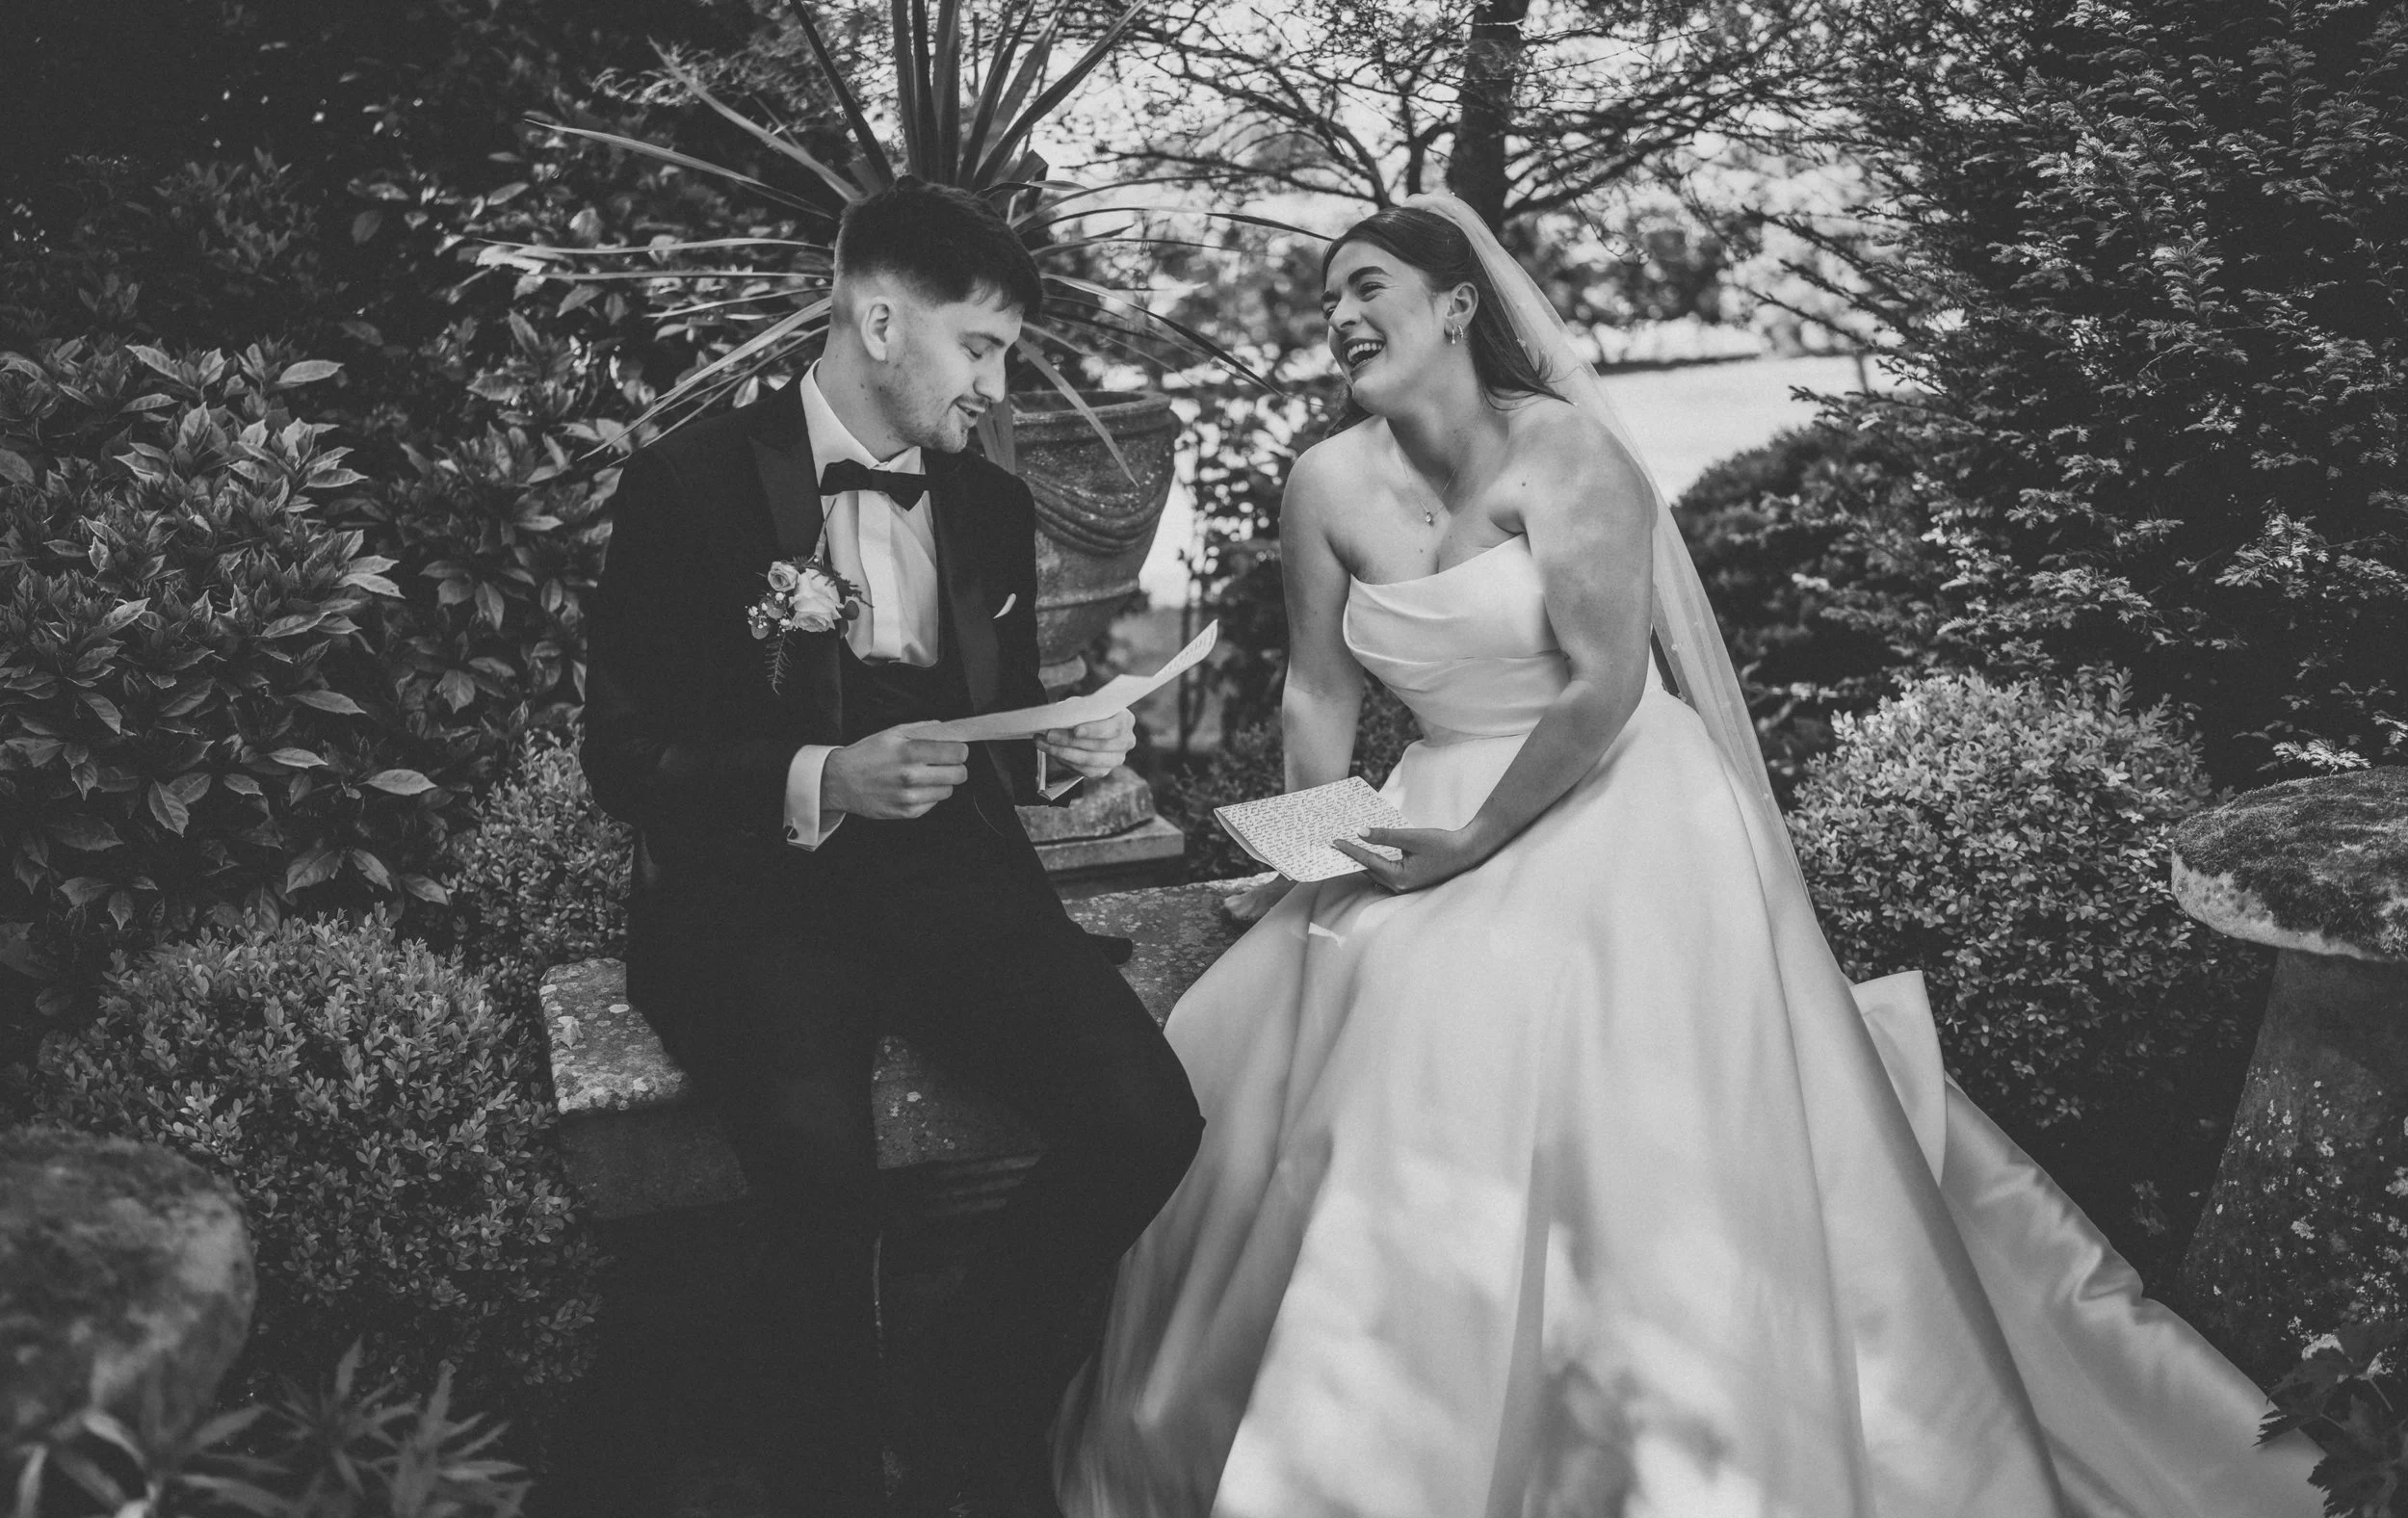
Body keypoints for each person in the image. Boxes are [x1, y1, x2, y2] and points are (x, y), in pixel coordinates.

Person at [1050, 195, 2321, 1518]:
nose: (1340, 317)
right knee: (1247, 1024)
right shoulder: (1325, 482)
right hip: (1428, 791)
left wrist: (1471, 846)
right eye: (1325, 303)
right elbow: (1316, 696)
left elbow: (1601, 689)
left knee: (1466, 1003)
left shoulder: (1569, 458)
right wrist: (1315, 851)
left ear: (1457, 305)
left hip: (1608, 792)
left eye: (1365, 285)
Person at [582, 177, 1202, 1517]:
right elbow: (624, 760)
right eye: (977, 347)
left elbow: (983, 725)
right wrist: (822, 774)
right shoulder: (687, 483)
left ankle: (963, 1388)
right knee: (821, 1184)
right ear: (877, 320)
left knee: (1148, 1122)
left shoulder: (989, 507)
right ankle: (828, 1476)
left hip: (952, 887)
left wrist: (1058, 749)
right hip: (755, 899)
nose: (992, 384)